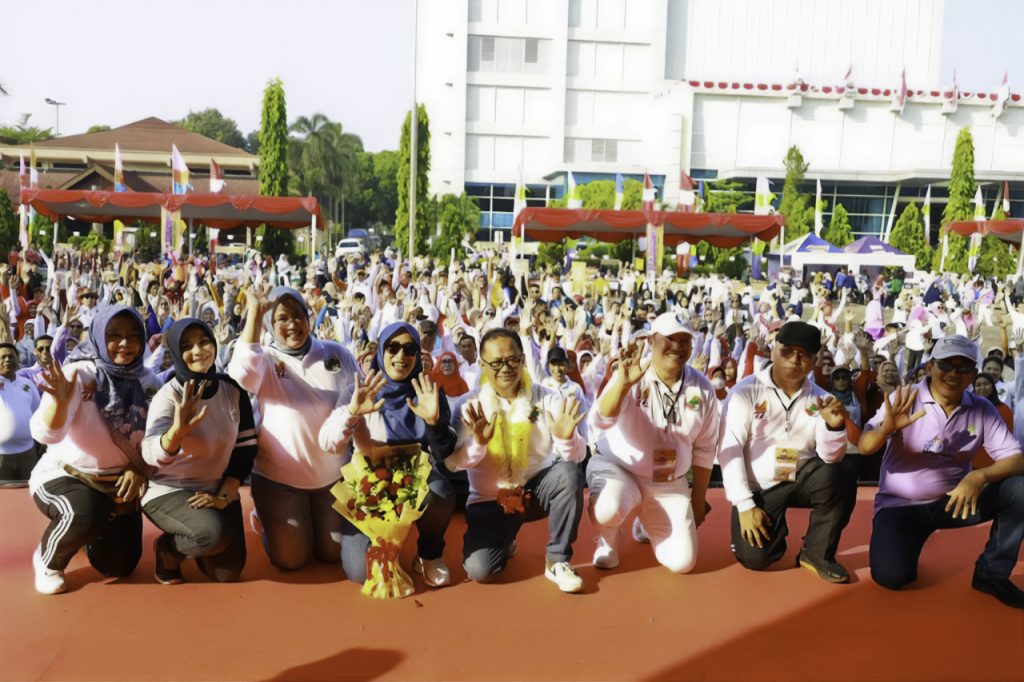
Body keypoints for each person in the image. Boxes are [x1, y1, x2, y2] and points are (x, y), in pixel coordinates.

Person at [858, 335, 1024, 608]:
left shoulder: (982, 408)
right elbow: (864, 447)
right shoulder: (905, 397)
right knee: (891, 576)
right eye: (946, 365)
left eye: (963, 367)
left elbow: (1017, 459)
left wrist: (979, 476)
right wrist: (886, 430)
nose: (953, 374)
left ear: (973, 374)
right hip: (900, 506)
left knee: (1018, 489)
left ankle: (991, 574)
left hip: (955, 502)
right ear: (930, 367)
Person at [228, 286, 360, 571]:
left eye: (298, 315)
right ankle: (267, 521)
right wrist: (254, 312)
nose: (292, 325)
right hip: (280, 480)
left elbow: (359, 398)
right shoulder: (264, 359)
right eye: (282, 319)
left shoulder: (336, 353)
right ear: (270, 325)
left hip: (331, 478)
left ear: (308, 316)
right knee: (291, 559)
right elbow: (240, 375)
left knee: (331, 553)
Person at [446, 328, 587, 593]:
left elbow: (578, 457)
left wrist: (566, 439)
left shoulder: (547, 398)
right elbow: (454, 464)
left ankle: (558, 560)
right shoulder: (468, 405)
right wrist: (478, 443)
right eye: (496, 363)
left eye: (512, 360)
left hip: (536, 491)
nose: (505, 368)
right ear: (482, 364)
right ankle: (505, 538)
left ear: (523, 360)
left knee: (568, 473)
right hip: (490, 500)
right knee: (480, 571)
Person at [29, 306, 157, 594]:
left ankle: (88, 537)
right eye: (114, 335)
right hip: (67, 476)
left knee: (120, 566)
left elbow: (156, 440)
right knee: (83, 513)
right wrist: (59, 407)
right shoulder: (79, 374)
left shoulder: (149, 383)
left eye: (133, 335)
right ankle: (48, 559)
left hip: (118, 485)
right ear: (99, 336)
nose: (125, 343)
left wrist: (140, 468)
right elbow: (43, 433)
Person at [321, 321, 458, 588]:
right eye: (392, 348)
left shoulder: (428, 392)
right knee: (360, 573)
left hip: (414, 481)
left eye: (409, 349)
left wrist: (434, 423)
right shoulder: (358, 391)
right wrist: (352, 414)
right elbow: (328, 441)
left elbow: (445, 455)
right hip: (371, 482)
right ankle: (385, 543)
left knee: (441, 491)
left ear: (418, 355)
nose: (400, 356)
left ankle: (429, 554)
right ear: (381, 351)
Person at [718, 321, 857, 583]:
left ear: (814, 359)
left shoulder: (820, 398)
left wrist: (834, 426)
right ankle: (771, 530)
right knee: (755, 559)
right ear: (773, 350)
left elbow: (831, 459)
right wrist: (745, 505)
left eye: (804, 354)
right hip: (758, 488)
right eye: (787, 351)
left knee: (843, 474)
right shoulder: (744, 393)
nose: (795, 359)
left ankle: (816, 553)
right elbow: (730, 449)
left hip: (801, 477)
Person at [587, 314, 719, 573]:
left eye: (685, 341)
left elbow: (705, 448)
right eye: (670, 339)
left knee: (682, 562)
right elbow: (600, 420)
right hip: (620, 469)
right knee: (607, 509)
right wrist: (623, 385)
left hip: (668, 481)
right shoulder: (631, 373)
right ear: (651, 340)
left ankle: (644, 520)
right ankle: (609, 540)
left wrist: (699, 499)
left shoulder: (703, 388)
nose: (677, 347)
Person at [142, 318, 257, 584]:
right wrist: (176, 433)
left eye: (204, 341)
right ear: (175, 353)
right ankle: (168, 550)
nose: (198, 350)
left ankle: (198, 534)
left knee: (228, 572)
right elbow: (150, 452)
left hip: (215, 487)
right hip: (168, 489)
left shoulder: (232, 389)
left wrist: (223, 496)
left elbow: (245, 450)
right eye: (187, 345)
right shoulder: (168, 396)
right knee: (212, 535)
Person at [0, 342, 40, 480]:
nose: (7, 360)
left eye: (11, 356)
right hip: (2, 457)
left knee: (28, 495)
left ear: (17, 359)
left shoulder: (27, 383)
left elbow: (37, 413)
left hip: (28, 453)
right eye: (3, 357)